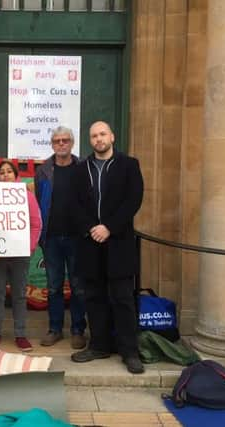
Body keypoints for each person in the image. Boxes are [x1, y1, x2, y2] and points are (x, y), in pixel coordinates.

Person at [70, 121, 145, 374]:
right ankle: (99, 345)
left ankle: (130, 351)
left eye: (102, 134)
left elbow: (133, 200)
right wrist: (92, 227)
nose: (98, 139)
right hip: (90, 244)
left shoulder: (129, 165)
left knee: (123, 298)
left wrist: (109, 227)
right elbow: (74, 204)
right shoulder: (81, 169)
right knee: (94, 297)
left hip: (119, 244)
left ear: (112, 136)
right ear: (90, 140)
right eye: (94, 136)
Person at [0, 160, 42, 352]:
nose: (5, 175)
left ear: (16, 175)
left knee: (19, 295)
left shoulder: (26, 196)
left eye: (9, 172)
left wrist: (28, 248)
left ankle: (20, 334)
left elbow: (36, 223)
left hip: (20, 253)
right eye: (1, 173)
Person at [34, 126, 87, 349]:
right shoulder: (43, 171)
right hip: (52, 238)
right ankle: (55, 329)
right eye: (57, 141)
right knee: (54, 286)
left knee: (78, 286)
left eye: (65, 140)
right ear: (52, 144)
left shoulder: (83, 168)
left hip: (78, 238)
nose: (61, 144)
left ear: (72, 143)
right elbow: (38, 203)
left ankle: (77, 330)